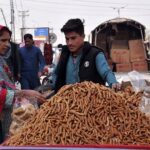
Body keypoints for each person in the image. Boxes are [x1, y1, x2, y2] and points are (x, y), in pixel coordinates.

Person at [0, 25, 46, 142]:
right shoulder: (20, 51)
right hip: (24, 76)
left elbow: (42, 62)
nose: (7, 44)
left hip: (33, 76)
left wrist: (40, 70)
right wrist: (23, 92)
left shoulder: (2, 60)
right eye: (3, 40)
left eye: (8, 40)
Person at [50, 18, 120, 93]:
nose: (69, 43)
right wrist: (48, 87)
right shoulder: (64, 54)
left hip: (91, 101)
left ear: (83, 36)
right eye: (67, 39)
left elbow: (106, 72)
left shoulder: (95, 54)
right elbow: (55, 75)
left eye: (73, 38)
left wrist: (113, 83)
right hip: (67, 102)